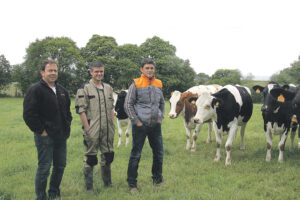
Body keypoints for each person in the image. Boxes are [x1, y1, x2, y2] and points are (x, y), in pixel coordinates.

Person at [23, 59, 72, 200]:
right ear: (42, 72)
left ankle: (54, 192)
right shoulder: (35, 90)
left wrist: (67, 125)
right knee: (44, 168)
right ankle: (41, 197)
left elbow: (67, 112)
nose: (53, 73)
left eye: (55, 70)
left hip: (61, 135)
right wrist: (41, 131)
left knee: (60, 166)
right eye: (50, 70)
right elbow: (29, 114)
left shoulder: (62, 90)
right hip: (45, 136)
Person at [124, 58, 166, 194]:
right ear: (141, 69)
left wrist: (160, 118)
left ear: (154, 69)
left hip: (155, 125)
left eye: (151, 68)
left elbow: (162, 103)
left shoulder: (159, 83)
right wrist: (137, 122)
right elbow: (128, 104)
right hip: (140, 125)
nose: (149, 70)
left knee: (159, 153)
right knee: (136, 155)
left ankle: (158, 180)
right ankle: (132, 184)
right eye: (147, 68)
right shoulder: (135, 83)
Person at [75, 61, 115, 192]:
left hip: (108, 128)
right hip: (92, 128)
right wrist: (87, 128)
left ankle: (108, 184)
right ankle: (89, 188)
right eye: (96, 71)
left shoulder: (108, 88)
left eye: (101, 71)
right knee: (91, 158)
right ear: (91, 72)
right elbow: (81, 110)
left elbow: (111, 107)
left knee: (108, 156)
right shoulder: (84, 88)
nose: (99, 74)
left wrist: (112, 122)